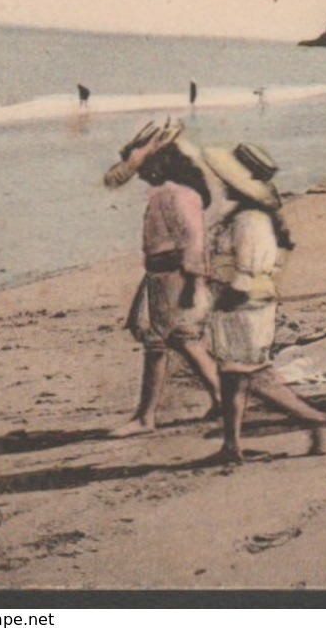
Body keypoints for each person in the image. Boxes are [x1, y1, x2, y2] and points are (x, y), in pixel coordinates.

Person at [199, 143, 326, 463]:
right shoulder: (249, 216)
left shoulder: (249, 220)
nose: (223, 184)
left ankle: (311, 419)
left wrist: (228, 293)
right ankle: (231, 445)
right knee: (235, 376)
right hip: (245, 300)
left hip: (245, 301)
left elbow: (248, 265)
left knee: (251, 376)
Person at [102, 120, 223, 437]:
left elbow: (192, 242)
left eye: (144, 169)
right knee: (180, 342)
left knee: (167, 343)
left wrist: (194, 284)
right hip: (166, 275)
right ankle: (219, 398)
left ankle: (146, 417)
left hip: (173, 277)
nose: (140, 175)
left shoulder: (173, 195)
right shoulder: (176, 192)